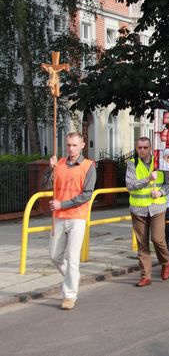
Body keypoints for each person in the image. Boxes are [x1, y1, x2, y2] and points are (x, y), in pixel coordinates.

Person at [45, 132, 96, 310]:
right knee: (54, 255)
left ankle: (69, 295)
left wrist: (62, 204)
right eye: (68, 145)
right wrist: (49, 169)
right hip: (58, 217)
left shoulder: (89, 166)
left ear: (82, 146)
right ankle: (73, 277)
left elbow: (87, 195)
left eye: (74, 145)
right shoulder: (58, 163)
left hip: (77, 217)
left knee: (72, 258)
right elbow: (45, 185)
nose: (71, 149)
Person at [126, 137, 169, 287]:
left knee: (158, 239)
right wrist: (147, 179)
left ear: (150, 148)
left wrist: (160, 193)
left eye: (145, 147)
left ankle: (166, 262)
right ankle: (146, 275)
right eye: (139, 147)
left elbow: (168, 184)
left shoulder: (160, 163)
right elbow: (130, 186)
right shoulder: (132, 164)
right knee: (142, 243)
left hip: (157, 207)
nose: (142, 150)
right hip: (138, 208)